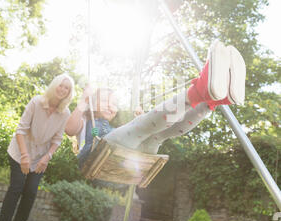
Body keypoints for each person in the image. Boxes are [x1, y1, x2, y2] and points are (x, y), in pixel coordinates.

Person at [65, 40, 245, 169]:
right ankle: (200, 92)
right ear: (91, 104)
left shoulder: (111, 128)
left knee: (158, 134)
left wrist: (140, 121)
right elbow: (70, 130)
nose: (110, 106)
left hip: (131, 152)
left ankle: (209, 102)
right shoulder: (89, 123)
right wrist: (83, 101)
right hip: (96, 154)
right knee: (141, 127)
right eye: (104, 101)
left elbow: (130, 134)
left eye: (114, 103)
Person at [0, 74, 75, 221]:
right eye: (61, 85)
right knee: (15, 189)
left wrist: (47, 157)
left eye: (67, 88)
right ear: (54, 85)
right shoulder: (37, 102)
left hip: (39, 159)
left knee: (30, 194)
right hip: (19, 153)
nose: (62, 90)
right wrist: (24, 156)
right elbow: (20, 130)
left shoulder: (65, 113)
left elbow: (57, 139)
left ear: (69, 93)